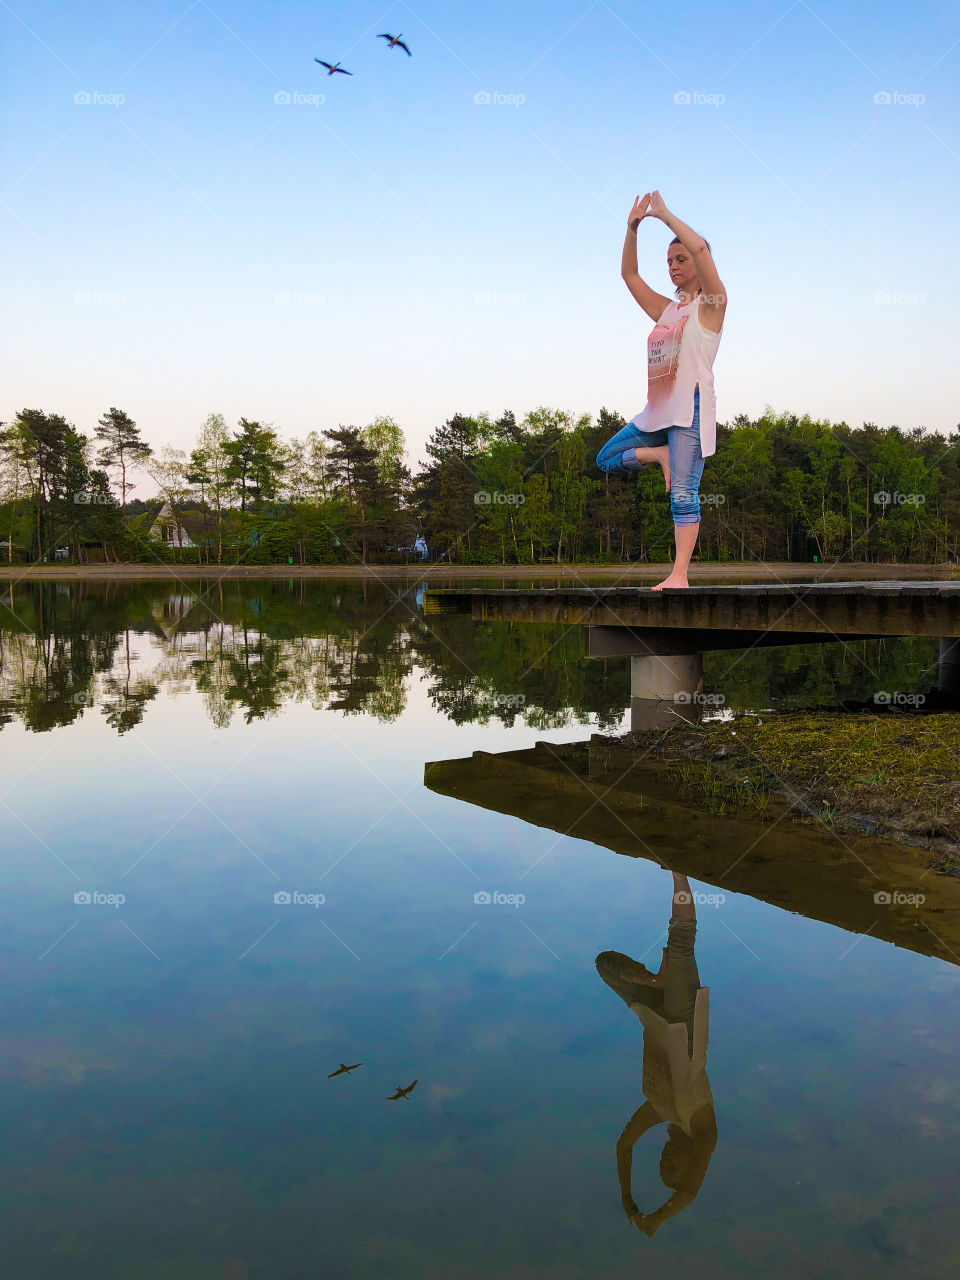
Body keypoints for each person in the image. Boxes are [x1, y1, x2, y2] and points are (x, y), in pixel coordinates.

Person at [596, 191, 727, 590]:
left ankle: (679, 575)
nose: (672, 266)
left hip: (690, 408)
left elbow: (702, 247)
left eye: (680, 259)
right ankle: (659, 455)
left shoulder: (711, 305)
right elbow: (630, 276)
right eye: (669, 261)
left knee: (683, 495)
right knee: (605, 458)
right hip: (656, 414)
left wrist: (664, 215)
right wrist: (632, 227)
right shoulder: (667, 310)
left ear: (696, 263)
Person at [596, 870, 718, 1236]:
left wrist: (627, 1197)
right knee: (682, 942)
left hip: (654, 1017)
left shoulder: (658, 1110)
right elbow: (691, 1191)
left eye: (661, 1166)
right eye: (673, 1169)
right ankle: (680, 873)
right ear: (688, 1164)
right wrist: (657, 1219)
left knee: (604, 964)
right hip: (682, 1022)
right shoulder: (702, 1128)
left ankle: (654, 980)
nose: (665, 1162)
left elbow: (623, 1144)